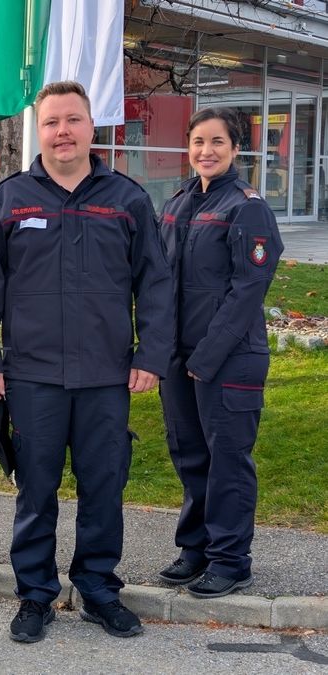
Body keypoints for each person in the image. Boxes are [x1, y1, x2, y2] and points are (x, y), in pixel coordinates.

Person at [0, 81, 174, 641]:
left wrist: (151, 354)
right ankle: (34, 594)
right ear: (40, 130)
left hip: (106, 375)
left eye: (73, 120)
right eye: (52, 121)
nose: (63, 131)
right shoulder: (6, 200)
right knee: (36, 488)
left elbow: (155, 285)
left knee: (104, 485)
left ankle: (99, 589)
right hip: (31, 375)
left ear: (91, 126)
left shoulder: (127, 200)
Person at [156, 107, 283, 598]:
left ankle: (231, 560)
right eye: (197, 142)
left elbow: (247, 291)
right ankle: (196, 549)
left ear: (235, 149)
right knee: (190, 455)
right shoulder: (177, 202)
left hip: (228, 359)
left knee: (227, 459)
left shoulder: (247, 207)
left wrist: (206, 358)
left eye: (217, 142)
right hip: (178, 355)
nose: (205, 151)